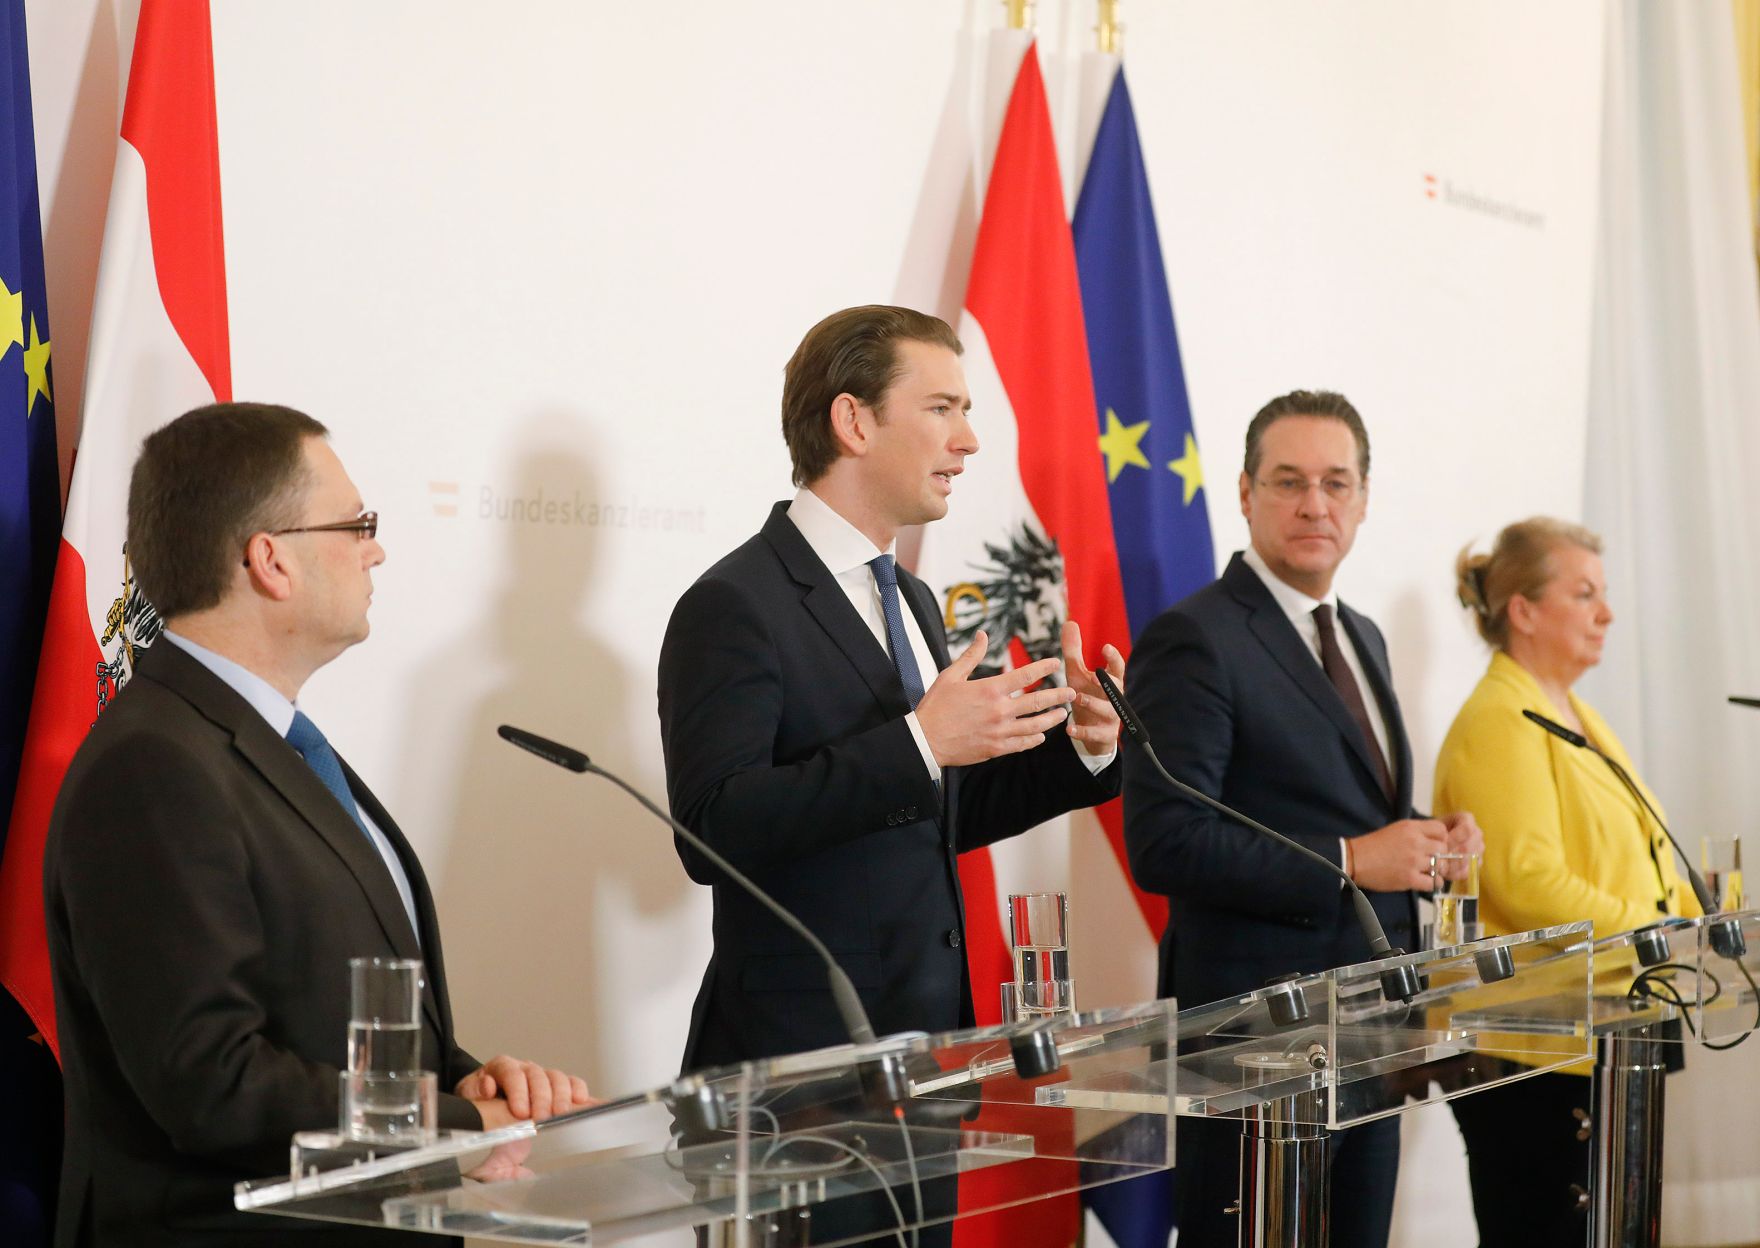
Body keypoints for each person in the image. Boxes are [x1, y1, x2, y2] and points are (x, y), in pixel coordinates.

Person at [44, 403, 590, 1247]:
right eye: (356, 524)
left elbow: (322, 1014)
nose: (376, 549)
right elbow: (209, 1081)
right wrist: (452, 1127)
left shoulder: (270, 744)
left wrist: (465, 1083)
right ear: (270, 560)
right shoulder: (154, 766)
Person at [657, 305, 1125, 1073]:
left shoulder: (910, 598)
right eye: (942, 409)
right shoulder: (735, 604)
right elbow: (713, 830)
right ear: (854, 422)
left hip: (927, 1053)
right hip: (796, 1070)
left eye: (965, 411)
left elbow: (928, 816)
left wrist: (1085, 750)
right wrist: (919, 743)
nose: (968, 439)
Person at [1122, 389, 1483, 1248]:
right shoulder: (1194, 638)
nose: (1315, 504)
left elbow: (1339, 803)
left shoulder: (1361, 632)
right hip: (1254, 1043)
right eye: (1289, 482)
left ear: (1363, 499)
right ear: (1246, 494)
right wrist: (1353, 860)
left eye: (1335, 482)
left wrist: (1426, 836)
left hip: (1370, 1031)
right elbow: (1167, 842)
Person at [1434, 517, 1698, 1247]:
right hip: (1539, 1048)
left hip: (1612, 1021)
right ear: (1523, 611)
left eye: (1602, 594)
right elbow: (1528, 882)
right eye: (1584, 594)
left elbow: (1637, 860)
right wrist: (1659, 935)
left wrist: (1706, 923)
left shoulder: (1571, 711)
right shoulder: (1499, 721)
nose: (1606, 613)